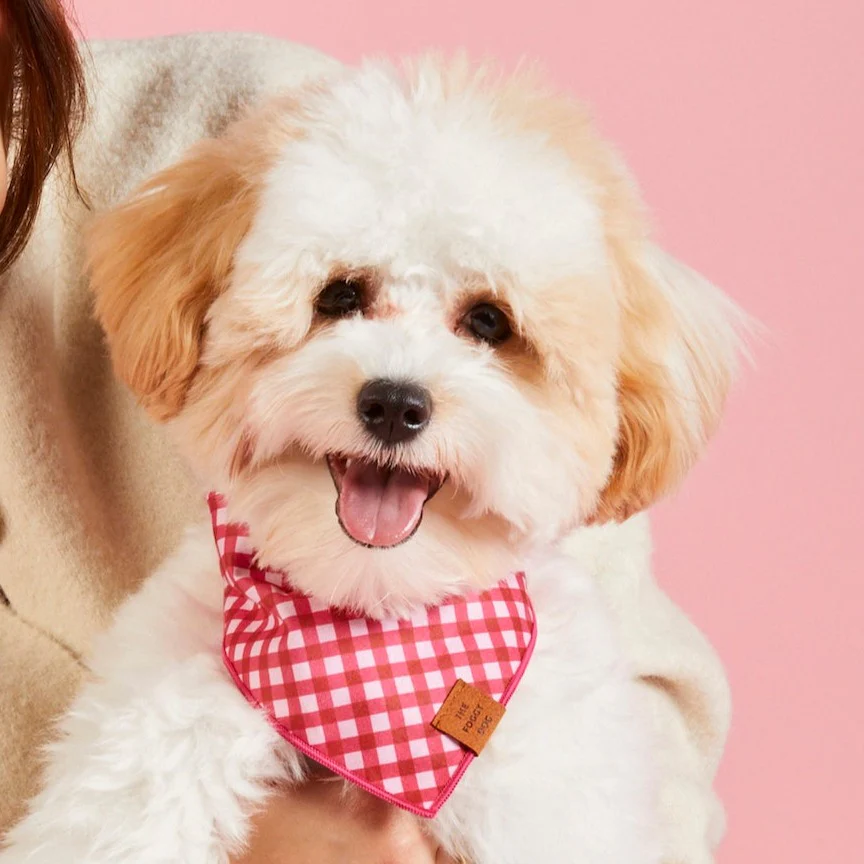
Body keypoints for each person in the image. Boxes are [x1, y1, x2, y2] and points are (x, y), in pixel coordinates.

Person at [0, 2, 731, 862]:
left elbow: (658, 748)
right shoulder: (188, 648)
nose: (397, 392)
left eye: (488, 326)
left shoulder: (248, 114)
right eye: (340, 298)